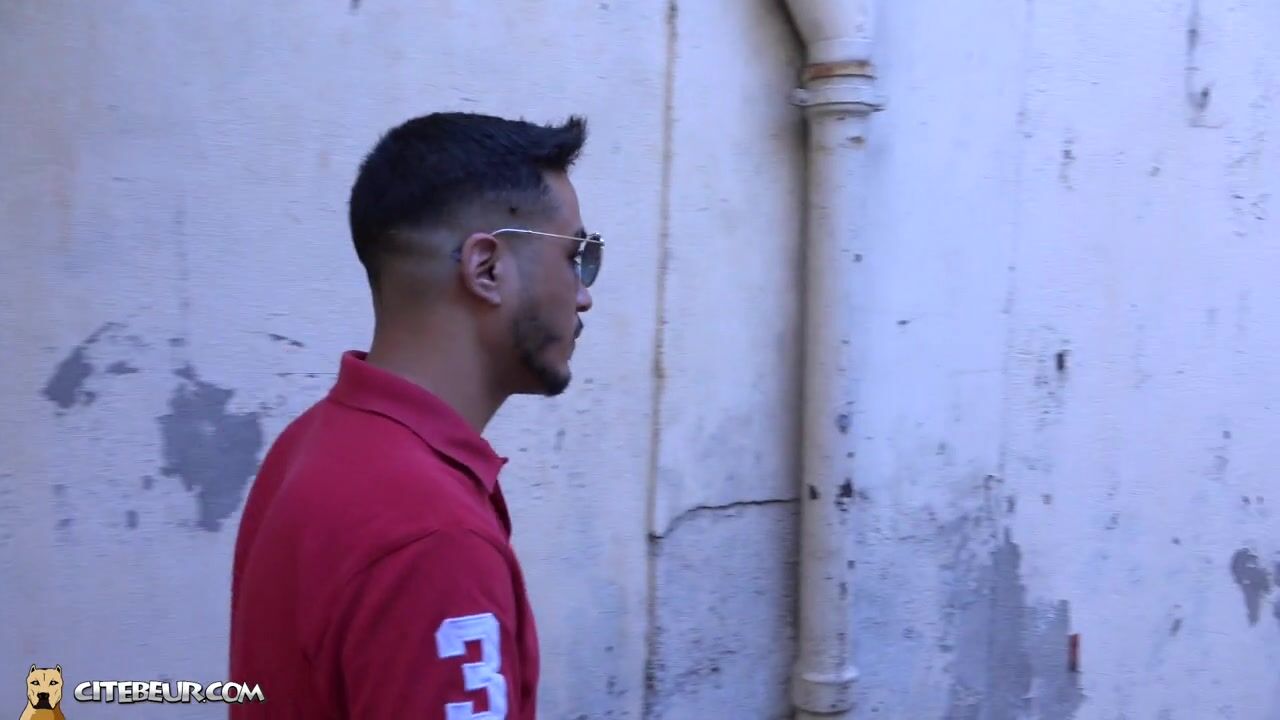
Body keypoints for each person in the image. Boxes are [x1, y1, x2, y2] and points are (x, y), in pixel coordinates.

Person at [228, 111, 601, 719]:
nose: (584, 294)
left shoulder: (310, 443)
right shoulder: (434, 539)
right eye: (576, 256)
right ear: (487, 269)